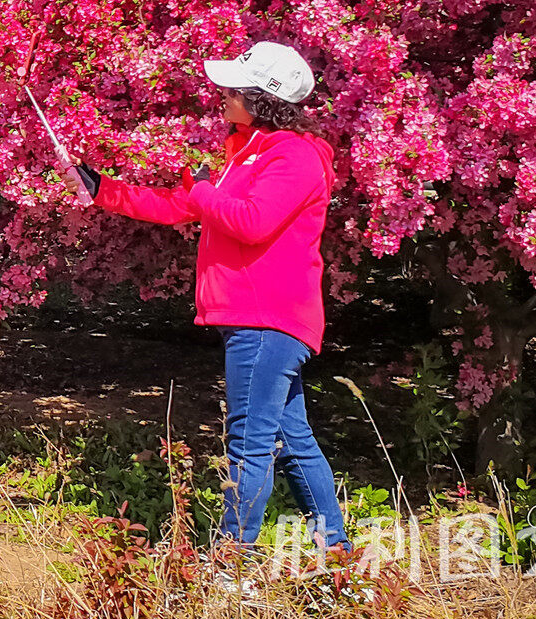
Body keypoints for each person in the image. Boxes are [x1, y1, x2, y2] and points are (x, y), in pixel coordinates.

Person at [76, 40, 348, 556]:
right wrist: (102, 190)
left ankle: (231, 565)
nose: (222, 94)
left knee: (249, 446)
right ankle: (335, 554)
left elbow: (250, 222)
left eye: (233, 88)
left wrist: (204, 190)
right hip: (258, 319)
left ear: (261, 97)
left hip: (267, 318)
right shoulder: (247, 152)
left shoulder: (294, 156)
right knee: (291, 442)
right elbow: (182, 205)